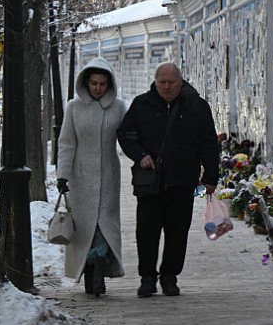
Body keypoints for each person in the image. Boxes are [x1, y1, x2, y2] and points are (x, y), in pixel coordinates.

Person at [117, 62, 220, 297]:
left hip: (182, 181)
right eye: (161, 82)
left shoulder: (196, 107)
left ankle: (170, 276)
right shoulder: (142, 104)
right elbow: (125, 134)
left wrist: (211, 176)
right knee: (146, 232)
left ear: (180, 82)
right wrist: (140, 155)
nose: (166, 86)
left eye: (171, 82)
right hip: (149, 182)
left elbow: (209, 144)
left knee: (177, 232)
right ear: (155, 81)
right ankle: (147, 278)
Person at [56, 58, 127, 297]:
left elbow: (129, 138)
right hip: (80, 178)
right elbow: (66, 143)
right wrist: (62, 175)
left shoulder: (118, 108)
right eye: (94, 83)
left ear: (110, 84)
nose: (98, 88)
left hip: (109, 176)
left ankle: (98, 272)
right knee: (85, 227)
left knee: (103, 225)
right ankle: (88, 271)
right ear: (86, 82)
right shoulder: (74, 108)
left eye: (103, 84)